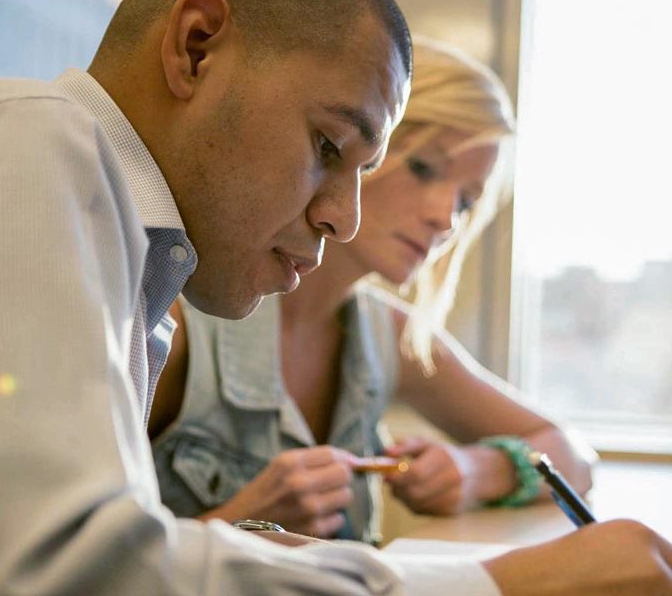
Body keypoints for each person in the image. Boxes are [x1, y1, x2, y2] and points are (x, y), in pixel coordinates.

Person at [0, 0, 672, 596]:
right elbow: (54, 589)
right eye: (328, 146)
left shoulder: (137, 266)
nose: (344, 219)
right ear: (195, 48)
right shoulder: (31, 144)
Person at [149, 37, 597, 544]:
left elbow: (574, 456)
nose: (443, 218)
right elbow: (81, 578)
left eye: (466, 202)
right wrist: (240, 526)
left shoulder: (393, 336)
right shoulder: (174, 320)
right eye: (425, 168)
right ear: (358, 143)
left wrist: (476, 471)